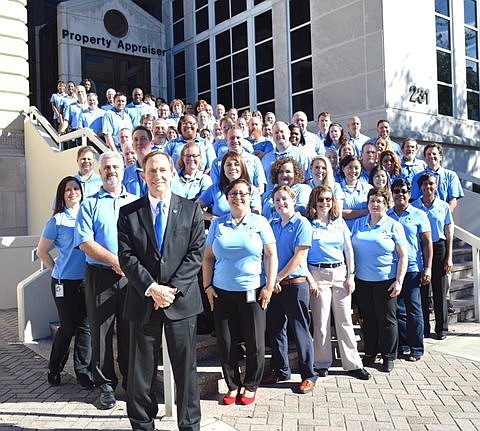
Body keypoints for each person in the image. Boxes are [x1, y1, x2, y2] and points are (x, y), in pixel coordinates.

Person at [117, 151, 205, 431]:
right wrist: (152, 288)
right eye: (151, 171)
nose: (158, 176)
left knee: (186, 371)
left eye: (163, 170)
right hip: (144, 300)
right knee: (140, 372)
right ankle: (143, 424)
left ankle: (189, 424)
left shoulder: (191, 210)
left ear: (173, 173)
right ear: (143, 176)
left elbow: (195, 254)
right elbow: (126, 257)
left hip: (181, 303)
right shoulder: (129, 213)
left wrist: (171, 290)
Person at [203, 178, 278, 405]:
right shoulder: (218, 224)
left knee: (254, 341)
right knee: (226, 342)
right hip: (222, 292)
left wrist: (269, 286)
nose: (238, 197)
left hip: (252, 291)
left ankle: (251, 384)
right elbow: (207, 257)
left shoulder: (260, 222)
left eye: (243, 193)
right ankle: (233, 384)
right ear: (227, 198)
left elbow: (271, 255)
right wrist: (207, 286)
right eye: (233, 193)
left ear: (250, 196)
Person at [74, 151, 137, 409]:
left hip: (131, 278)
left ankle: (131, 382)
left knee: (130, 331)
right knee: (100, 332)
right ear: (99, 173)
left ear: (123, 170)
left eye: (115, 167)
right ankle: (106, 385)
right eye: (106, 167)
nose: (111, 171)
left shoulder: (135, 202)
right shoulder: (89, 203)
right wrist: (115, 261)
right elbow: (85, 242)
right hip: (100, 276)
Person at [305, 186, 371, 380]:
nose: (324, 203)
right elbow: (302, 254)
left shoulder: (339, 222)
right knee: (321, 321)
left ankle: (352, 364)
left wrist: (351, 275)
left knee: (345, 320)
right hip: (317, 273)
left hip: (340, 273)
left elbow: (348, 249)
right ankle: (322, 362)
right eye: (320, 199)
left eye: (328, 199)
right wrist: (310, 279)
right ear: (314, 202)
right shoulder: (309, 225)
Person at [37, 176, 93, 389]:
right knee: (68, 327)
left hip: (87, 281)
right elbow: (42, 251)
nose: (72, 192)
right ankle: (54, 368)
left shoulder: (88, 216)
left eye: (76, 188)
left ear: (81, 191)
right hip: (64, 283)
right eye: (68, 189)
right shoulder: (57, 221)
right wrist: (57, 270)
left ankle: (83, 372)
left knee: (85, 328)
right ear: (62, 195)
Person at [263, 185, 317, 394]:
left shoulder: (302, 223)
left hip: (295, 284)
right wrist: (271, 280)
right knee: (276, 329)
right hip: (275, 287)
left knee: (300, 330)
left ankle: (308, 375)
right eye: (277, 200)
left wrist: (279, 276)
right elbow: (267, 254)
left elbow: (299, 257)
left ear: (293, 200)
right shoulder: (273, 224)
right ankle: (280, 370)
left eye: (284, 199)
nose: (281, 203)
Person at [350, 188, 408, 372]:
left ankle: (389, 355)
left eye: (380, 201)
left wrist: (399, 281)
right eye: (372, 200)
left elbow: (403, 256)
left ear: (386, 205)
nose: (375, 204)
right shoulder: (358, 224)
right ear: (367, 203)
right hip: (363, 281)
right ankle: (370, 352)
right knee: (368, 319)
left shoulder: (393, 226)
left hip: (386, 281)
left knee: (387, 320)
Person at [387, 179, 432, 361]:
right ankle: (403, 345)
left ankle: (417, 348)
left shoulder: (419, 214)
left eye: (404, 191)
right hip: (393, 269)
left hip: (413, 268)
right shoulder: (387, 215)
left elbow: (427, 243)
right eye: (396, 191)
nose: (400, 194)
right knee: (398, 311)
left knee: (414, 309)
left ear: (409, 192)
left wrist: (427, 267)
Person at [412, 173, 454, 340]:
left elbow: (449, 231)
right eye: (424, 184)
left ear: (435, 186)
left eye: (431, 184)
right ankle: (424, 328)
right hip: (420, 249)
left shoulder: (443, 206)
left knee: (439, 290)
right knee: (422, 291)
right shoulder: (414, 206)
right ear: (420, 187)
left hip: (439, 248)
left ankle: (442, 328)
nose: (427, 187)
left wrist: (449, 256)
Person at [197, 151, 261, 220]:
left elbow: (256, 213)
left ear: (242, 168)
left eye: (236, 164)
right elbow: (196, 207)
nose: (233, 168)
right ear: (223, 169)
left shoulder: (252, 190)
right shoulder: (214, 189)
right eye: (228, 165)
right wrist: (211, 218)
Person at [410, 143, 464, 213]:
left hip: (443, 215)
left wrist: (445, 216)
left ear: (440, 157)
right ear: (425, 158)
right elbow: (414, 200)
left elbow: (453, 200)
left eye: (434, 154)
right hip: (422, 215)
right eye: (428, 154)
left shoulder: (451, 175)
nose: (431, 156)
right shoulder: (417, 177)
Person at [339, 155, 372, 230]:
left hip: (364, 231)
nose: (353, 171)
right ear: (343, 168)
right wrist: (363, 212)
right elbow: (337, 213)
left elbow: (372, 211)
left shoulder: (368, 188)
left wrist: (347, 213)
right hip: (343, 231)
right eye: (350, 167)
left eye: (356, 168)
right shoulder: (336, 188)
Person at [122, 126, 153, 197]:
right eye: (136, 140)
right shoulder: (126, 173)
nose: (139, 142)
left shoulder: (163, 168)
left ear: (151, 143)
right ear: (133, 145)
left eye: (143, 139)